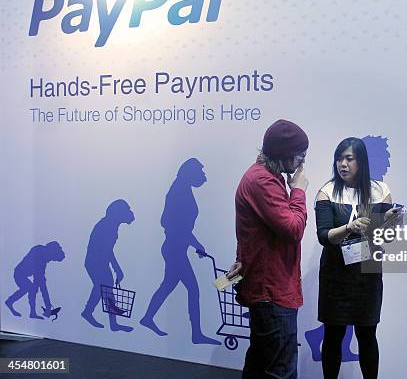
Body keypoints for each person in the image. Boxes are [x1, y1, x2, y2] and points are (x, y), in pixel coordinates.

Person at [315, 137, 399, 379]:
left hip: (367, 275)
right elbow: (323, 236)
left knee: (367, 335)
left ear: (361, 161)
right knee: (333, 335)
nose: (343, 164)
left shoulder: (380, 190)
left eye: (349, 158)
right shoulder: (327, 191)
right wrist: (349, 228)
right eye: (339, 158)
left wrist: (393, 223)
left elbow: (386, 237)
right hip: (335, 274)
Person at [231, 119, 309, 379]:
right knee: (280, 370)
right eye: (300, 156)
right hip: (272, 291)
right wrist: (298, 191)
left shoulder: (266, 178)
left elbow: (254, 232)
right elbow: (293, 230)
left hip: (267, 286)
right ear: (285, 155)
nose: (302, 163)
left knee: (260, 363)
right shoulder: (263, 181)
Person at [140, 158, 220, 345]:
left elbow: (172, 224)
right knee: (193, 288)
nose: (203, 176)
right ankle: (196, 334)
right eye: (200, 172)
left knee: (168, 285)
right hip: (175, 249)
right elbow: (172, 224)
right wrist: (195, 243)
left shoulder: (181, 189)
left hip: (175, 248)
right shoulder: (179, 192)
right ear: (190, 172)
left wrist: (193, 243)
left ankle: (147, 318)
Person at [81, 199, 135, 332]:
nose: (130, 212)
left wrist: (117, 269)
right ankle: (89, 312)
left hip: (100, 262)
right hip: (95, 262)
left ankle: (109, 322)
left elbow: (107, 250)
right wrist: (117, 269)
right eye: (126, 210)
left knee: (106, 289)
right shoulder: (106, 226)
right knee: (103, 287)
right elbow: (107, 250)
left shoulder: (111, 225)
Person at [5, 241, 65, 320]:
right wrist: (48, 306)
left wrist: (48, 306)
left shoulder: (43, 258)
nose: (50, 260)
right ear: (51, 251)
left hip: (24, 274)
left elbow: (41, 283)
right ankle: (10, 302)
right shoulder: (39, 253)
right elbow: (42, 285)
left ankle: (32, 312)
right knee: (29, 288)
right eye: (52, 258)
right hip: (19, 273)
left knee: (33, 288)